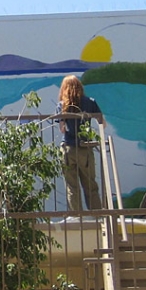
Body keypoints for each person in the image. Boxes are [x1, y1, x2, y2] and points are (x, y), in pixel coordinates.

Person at [57, 75, 104, 211]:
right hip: (85, 148)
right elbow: (102, 123)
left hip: (68, 148)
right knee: (90, 185)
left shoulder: (62, 106)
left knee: (72, 186)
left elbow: (62, 129)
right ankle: (97, 215)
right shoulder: (90, 102)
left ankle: (77, 218)